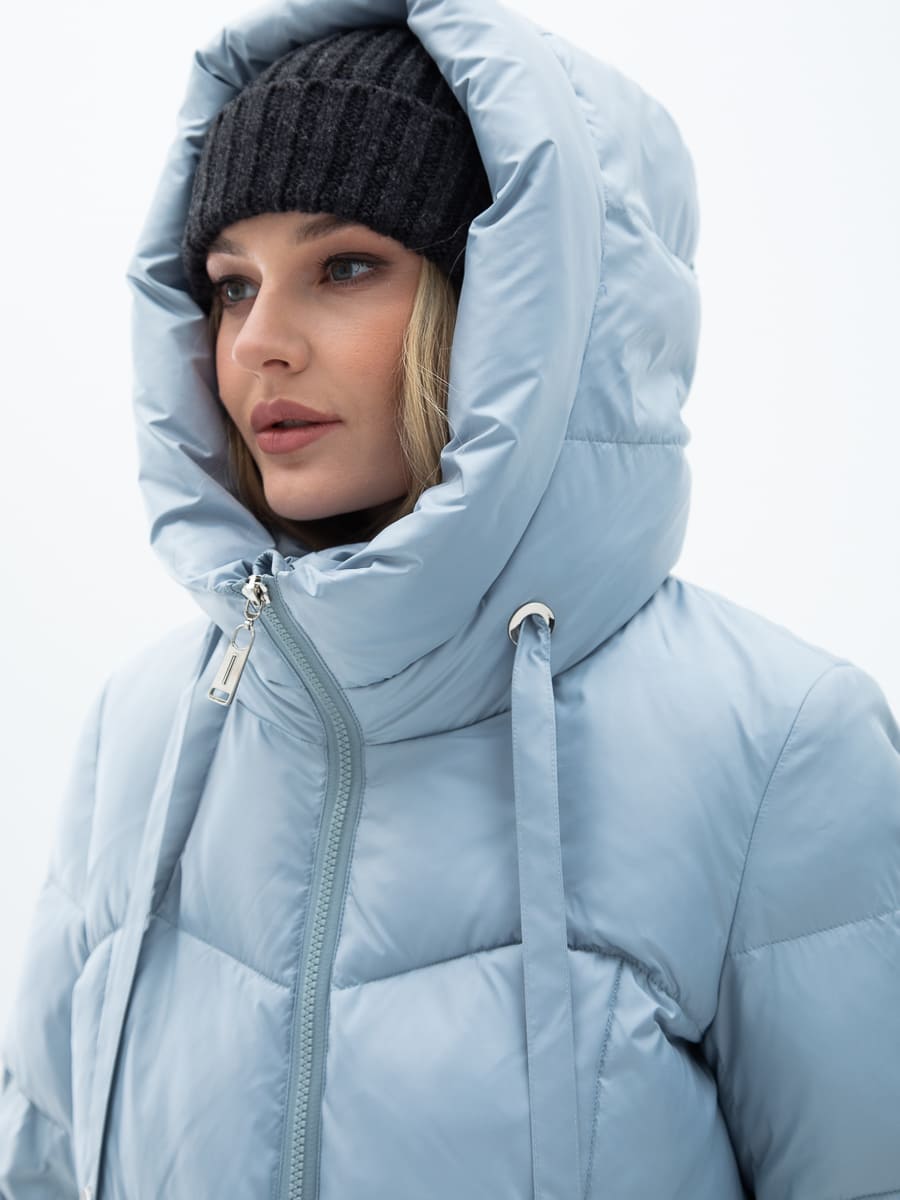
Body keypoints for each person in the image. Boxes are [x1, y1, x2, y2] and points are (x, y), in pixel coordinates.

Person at [1, 2, 898, 1198]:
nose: (259, 342)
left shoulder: (779, 750)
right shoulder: (145, 728)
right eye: (230, 285)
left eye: (346, 267)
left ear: (514, 307)